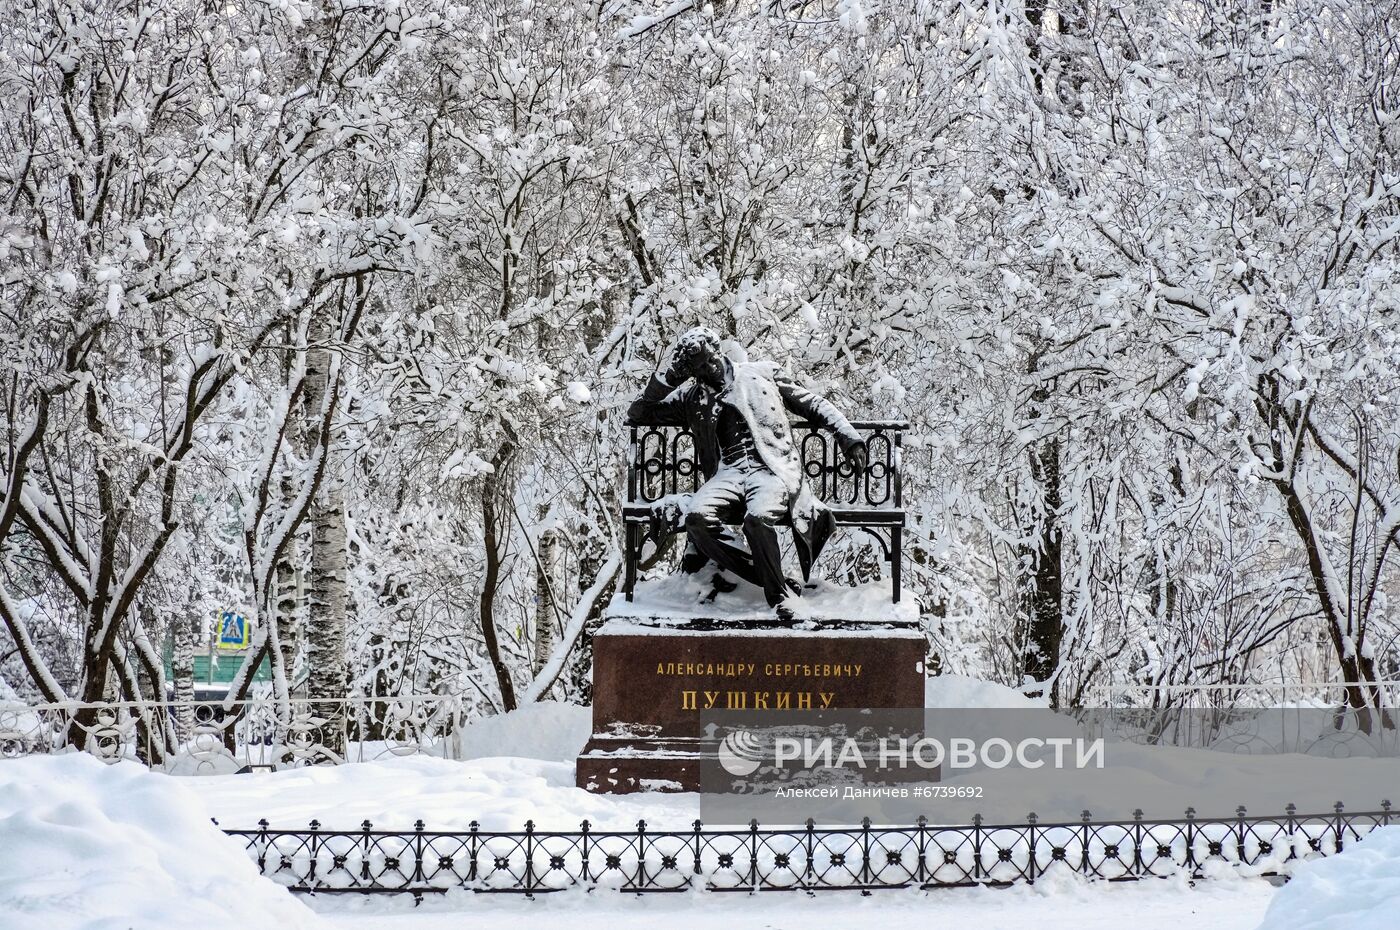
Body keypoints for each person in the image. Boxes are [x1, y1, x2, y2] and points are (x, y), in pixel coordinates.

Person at [627, 327, 868, 621]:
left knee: (757, 520)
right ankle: (772, 580)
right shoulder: (692, 397)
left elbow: (812, 404)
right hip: (727, 474)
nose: (709, 369)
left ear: (719, 351)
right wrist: (668, 379)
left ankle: (779, 597)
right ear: (692, 373)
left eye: (710, 360)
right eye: (700, 368)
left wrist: (847, 436)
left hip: (771, 471)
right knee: (696, 519)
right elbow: (638, 412)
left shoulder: (762, 374)